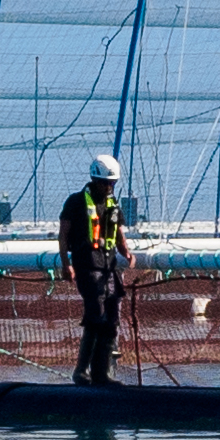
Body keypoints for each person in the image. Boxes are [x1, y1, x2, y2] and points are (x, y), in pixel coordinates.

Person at [57, 154, 131, 382]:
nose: (109, 187)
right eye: (105, 183)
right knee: (95, 318)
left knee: (111, 321)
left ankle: (102, 374)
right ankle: (81, 371)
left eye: (112, 184)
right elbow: (63, 235)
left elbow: (118, 232)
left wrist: (126, 252)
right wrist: (66, 264)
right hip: (88, 266)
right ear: (94, 179)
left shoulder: (112, 204)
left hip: (109, 268)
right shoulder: (76, 202)